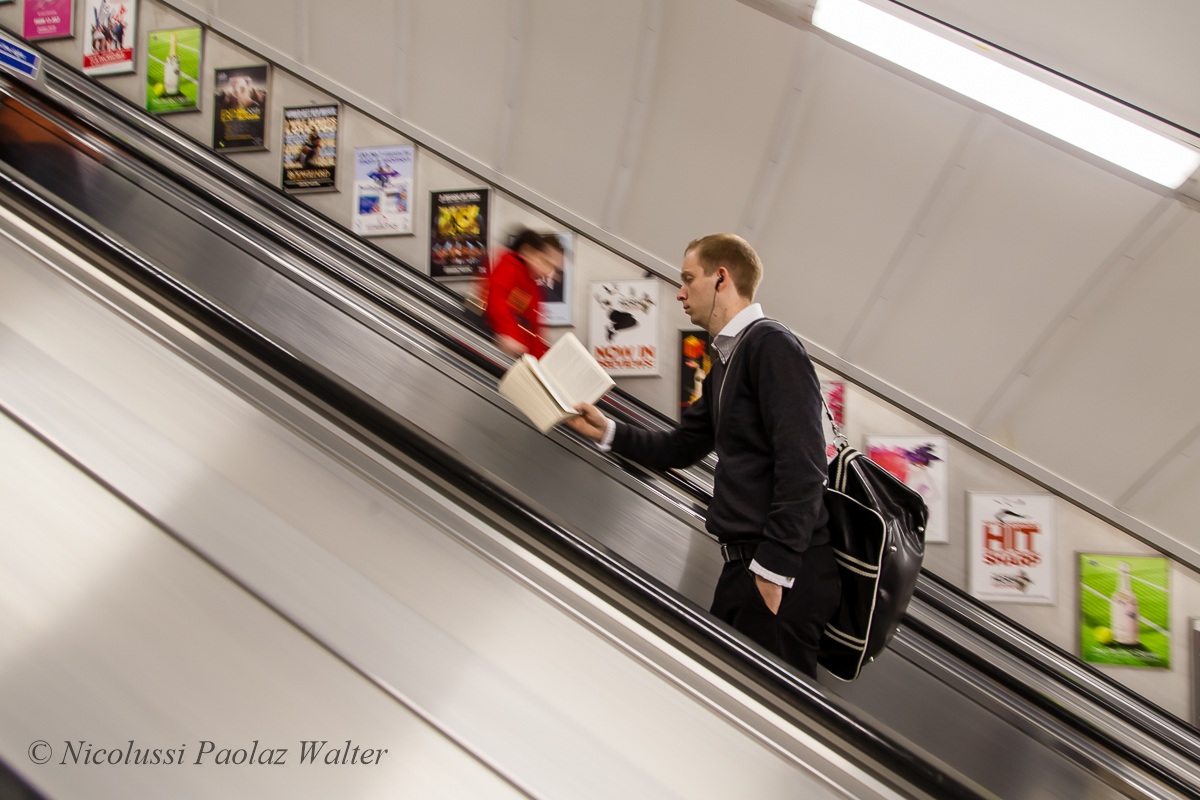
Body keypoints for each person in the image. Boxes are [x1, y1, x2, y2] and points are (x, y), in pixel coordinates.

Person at [566, 233, 840, 677]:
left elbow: (804, 464)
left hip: (782, 569)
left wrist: (774, 568)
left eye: (688, 279)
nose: (679, 292)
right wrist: (609, 431)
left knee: (774, 723)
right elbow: (683, 445)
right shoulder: (727, 362)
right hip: (743, 566)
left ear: (722, 279)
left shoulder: (771, 346)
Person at [484, 228, 564, 359]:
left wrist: (541, 361)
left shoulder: (532, 285)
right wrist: (508, 333)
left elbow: (534, 330)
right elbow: (497, 299)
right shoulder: (511, 266)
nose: (549, 271)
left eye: (553, 267)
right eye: (545, 262)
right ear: (528, 252)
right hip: (504, 350)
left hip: (520, 354)